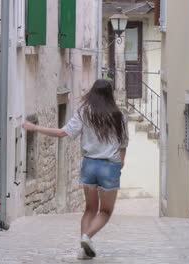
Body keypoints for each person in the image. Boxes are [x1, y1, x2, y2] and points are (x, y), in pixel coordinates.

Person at [22, 79, 128, 260]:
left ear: (93, 93)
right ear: (110, 94)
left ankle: (83, 250)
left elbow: (62, 133)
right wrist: (120, 164)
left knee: (89, 209)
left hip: (89, 165)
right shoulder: (119, 115)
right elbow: (123, 144)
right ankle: (87, 237)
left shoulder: (84, 113)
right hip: (109, 166)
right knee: (105, 211)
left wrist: (35, 127)